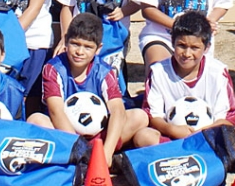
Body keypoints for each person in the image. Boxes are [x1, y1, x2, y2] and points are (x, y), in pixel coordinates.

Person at [27, 13, 151, 167]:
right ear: (66, 41)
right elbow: (55, 111)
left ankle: (102, 155)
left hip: (98, 136)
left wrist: (107, 151)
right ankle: (79, 157)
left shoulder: (105, 71)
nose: (80, 52)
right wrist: (79, 149)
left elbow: (117, 110)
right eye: (75, 44)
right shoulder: (53, 68)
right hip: (64, 134)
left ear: (98, 49)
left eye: (87, 47)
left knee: (139, 116)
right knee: (36, 120)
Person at [133, 11, 235, 148]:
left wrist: (202, 133)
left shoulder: (218, 72)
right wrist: (172, 129)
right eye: (182, 46)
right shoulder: (158, 71)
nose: (187, 54)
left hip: (209, 136)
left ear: (206, 47)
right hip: (171, 137)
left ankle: (183, 152)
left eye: (195, 48)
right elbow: (152, 116)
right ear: (172, 43)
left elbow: (228, 119)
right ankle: (191, 153)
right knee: (143, 136)